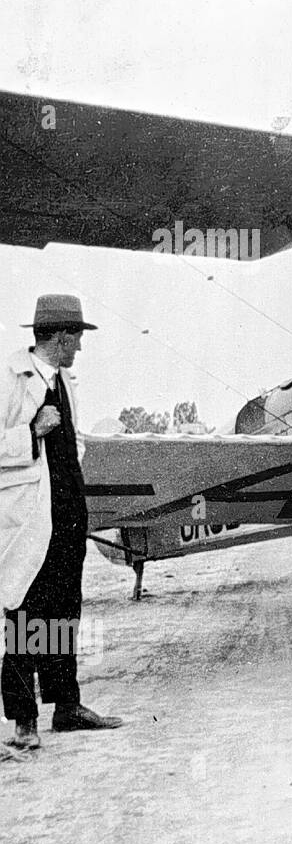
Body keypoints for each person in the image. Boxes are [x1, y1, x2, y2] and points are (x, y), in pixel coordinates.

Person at [2, 294, 122, 751]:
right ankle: (23, 719)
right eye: (76, 337)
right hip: (31, 517)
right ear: (59, 336)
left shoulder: (64, 381)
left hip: (68, 511)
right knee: (27, 611)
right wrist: (29, 433)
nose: (80, 347)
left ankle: (66, 706)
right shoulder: (10, 378)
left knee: (64, 610)